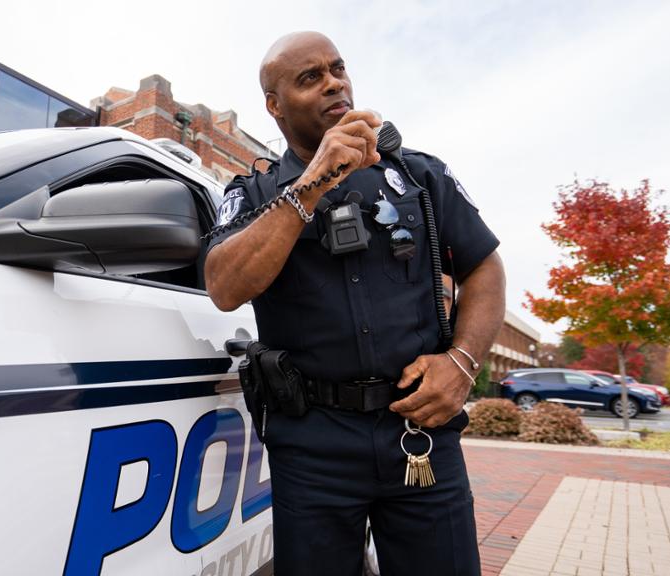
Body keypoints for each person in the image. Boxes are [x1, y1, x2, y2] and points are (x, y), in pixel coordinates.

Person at [204, 31, 506, 575]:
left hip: (420, 429)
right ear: (274, 106)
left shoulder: (417, 176)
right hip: (311, 442)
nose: (334, 83)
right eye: (309, 78)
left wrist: (462, 363)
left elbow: (484, 266)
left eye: (337, 69)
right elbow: (224, 286)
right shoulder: (251, 194)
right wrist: (311, 186)